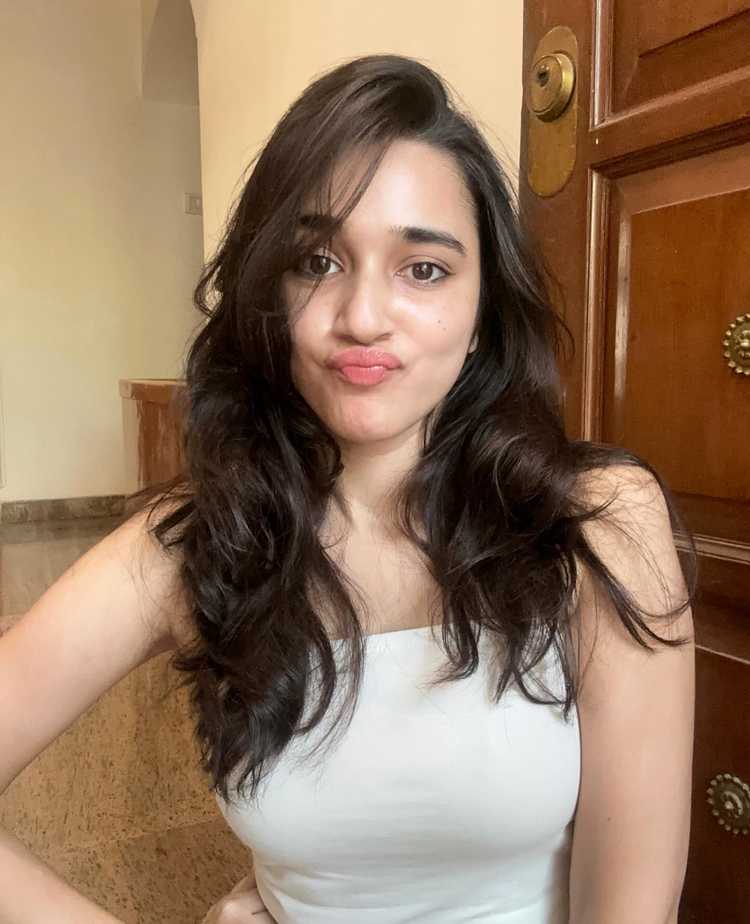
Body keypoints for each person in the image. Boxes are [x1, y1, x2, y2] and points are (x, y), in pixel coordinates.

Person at [0, 53, 697, 923]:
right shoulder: (199, 542)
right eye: (318, 261)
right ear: (270, 292)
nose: (362, 317)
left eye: (424, 268)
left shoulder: (597, 524)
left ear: (483, 314)